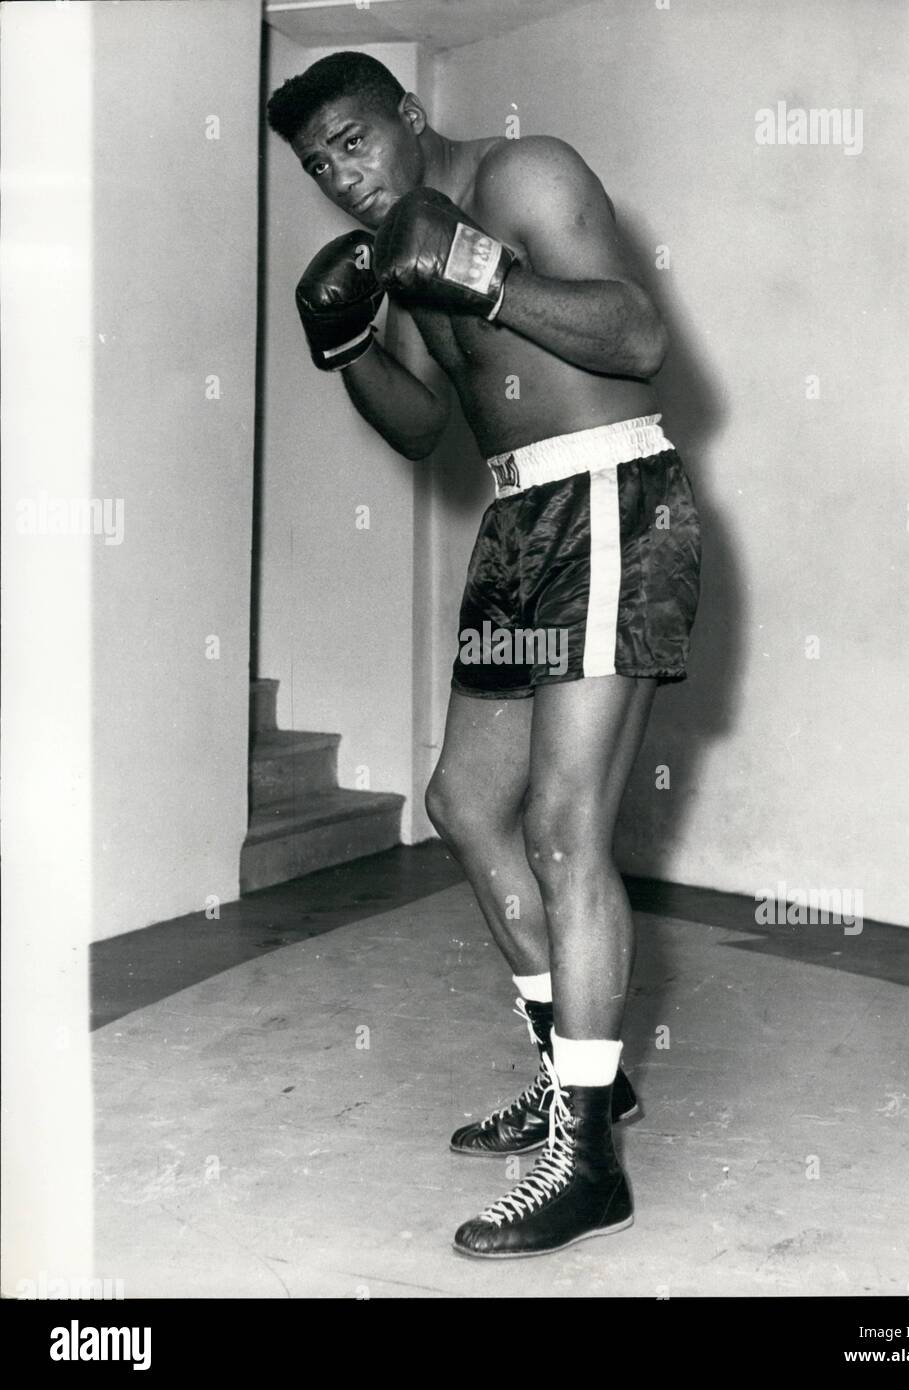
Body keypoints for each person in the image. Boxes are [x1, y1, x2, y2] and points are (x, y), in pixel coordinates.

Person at [267, 51, 701, 1259]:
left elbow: (638, 332)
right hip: (518, 519)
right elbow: (421, 428)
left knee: (567, 827)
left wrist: (481, 269)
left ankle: (589, 1162)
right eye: (318, 166)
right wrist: (349, 345)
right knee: (463, 801)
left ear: (409, 115)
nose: (341, 177)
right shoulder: (395, 258)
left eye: (353, 142)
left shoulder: (524, 174)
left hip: (612, 493)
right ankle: (584, 1076)